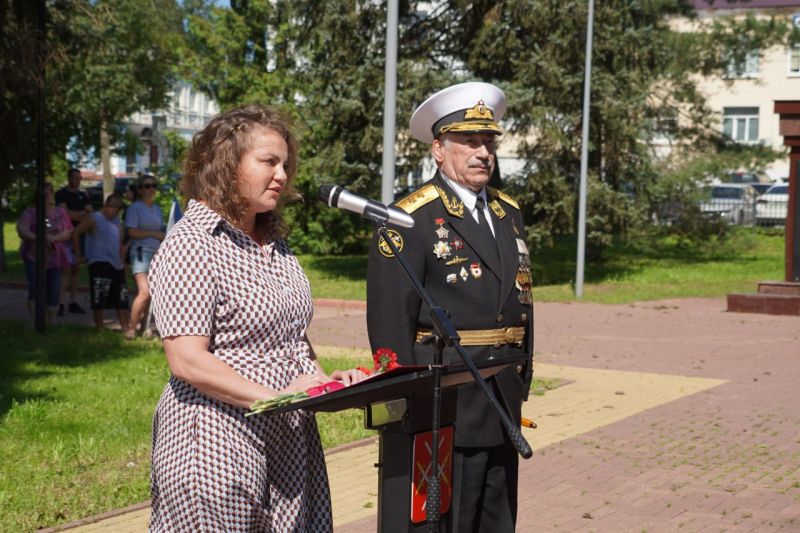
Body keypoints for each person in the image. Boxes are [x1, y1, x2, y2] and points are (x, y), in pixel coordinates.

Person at [147, 104, 367, 531]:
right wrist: (280, 396)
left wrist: (325, 382)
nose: (282, 175)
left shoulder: (275, 246)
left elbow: (290, 337)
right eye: (269, 161)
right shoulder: (192, 244)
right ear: (226, 164)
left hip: (286, 443)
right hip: (215, 443)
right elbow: (187, 360)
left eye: (285, 164)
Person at [366, 82, 533, 532]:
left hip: (504, 393)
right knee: (447, 521)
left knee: (498, 518)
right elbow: (389, 321)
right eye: (469, 141)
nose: (483, 152)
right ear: (439, 150)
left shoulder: (507, 211)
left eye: (489, 142)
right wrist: (403, 403)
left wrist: (524, 376)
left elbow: (521, 299)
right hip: (446, 396)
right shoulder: (408, 218)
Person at [71, 193, 131, 333]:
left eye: (118, 208)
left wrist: (124, 263)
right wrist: (78, 255)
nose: (114, 210)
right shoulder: (95, 218)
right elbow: (75, 233)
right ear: (105, 205)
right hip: (99, 261)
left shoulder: (117, 222)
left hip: (116, 264)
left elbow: (120, 243)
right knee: (99, 296)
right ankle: (100, 329)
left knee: (121, 298)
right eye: (112, 207)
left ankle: (126, 329)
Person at [17, 182, 74, 324]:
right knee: (35, 290)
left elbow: (68, 232)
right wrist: (41, 238)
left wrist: (53, 238)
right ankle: (35, 324)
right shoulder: (30, 212)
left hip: (55, 258)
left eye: (46, 194)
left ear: (52, 195)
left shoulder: (60, 212)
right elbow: (22, 230)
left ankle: (50, 324)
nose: (43, 197)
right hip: (33, 257)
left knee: (53, 291)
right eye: (40, 195)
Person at [124, 174, 164, 340]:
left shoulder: (158, 209)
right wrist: (154, 233)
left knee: (153, 294)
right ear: (140, 190)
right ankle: (131, 329)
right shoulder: (135, 208)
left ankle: (144, 328)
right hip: (141, 253)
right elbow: (131, 231)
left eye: (154, 185)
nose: (151, 189)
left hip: (157, 255)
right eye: (147, 186)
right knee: (144, 292)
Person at [55, 167, 92, 315]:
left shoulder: (83, 195)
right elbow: (66, 215)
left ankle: (73, 301)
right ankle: (60, 303)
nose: (77, 181)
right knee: (65, 270)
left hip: (80, 236)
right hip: (65, 235)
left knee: (76, 269)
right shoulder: (61, 194)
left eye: (79, 178)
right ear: (69, 178)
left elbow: (89, 212)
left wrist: (77, 215)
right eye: (75, 178)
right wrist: (80, 214)